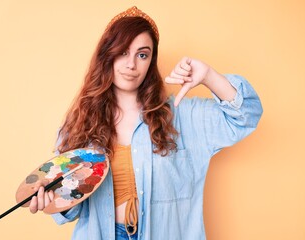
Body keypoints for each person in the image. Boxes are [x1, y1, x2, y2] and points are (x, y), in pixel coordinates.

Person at [28, 6, 263, 240]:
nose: (131, 64)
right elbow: (72, 209)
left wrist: (209, 76)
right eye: (122, 52)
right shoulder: (80, 124)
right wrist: (53, 199)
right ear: (107, 55)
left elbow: (246, 114)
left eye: (142, 54)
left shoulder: (182, 116)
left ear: (151, 62)